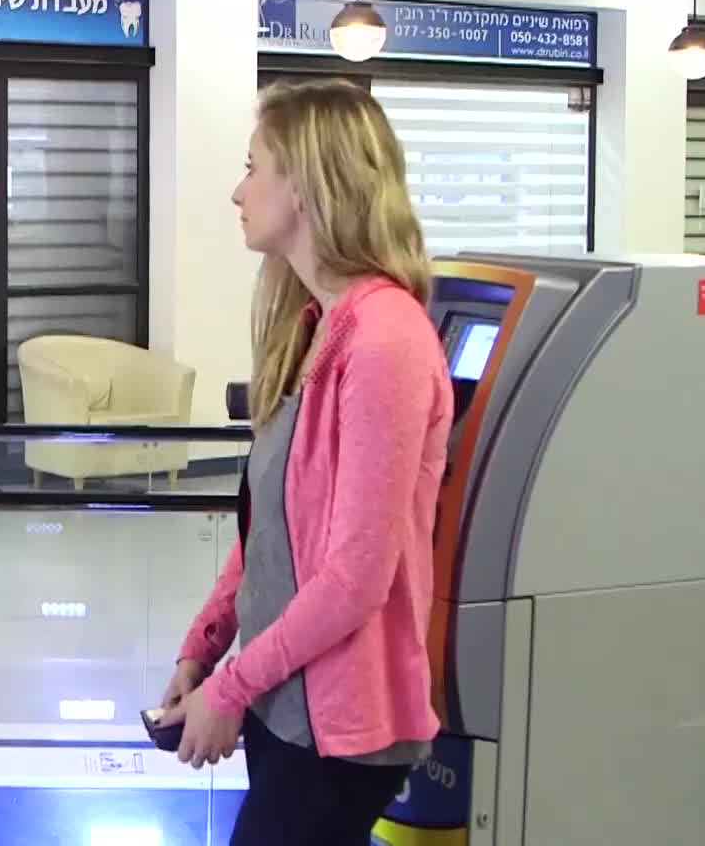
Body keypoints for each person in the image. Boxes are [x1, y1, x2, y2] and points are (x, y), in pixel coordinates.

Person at [155, 79, 454, 845]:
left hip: (341, 728)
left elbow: (355, 579)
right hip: (285, 705)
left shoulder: (385, 338)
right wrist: (206, 645)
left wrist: (233, 684)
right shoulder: (317, 327)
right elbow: (274, 531)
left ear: (307, 182)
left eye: (253, 167)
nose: (236, 190)